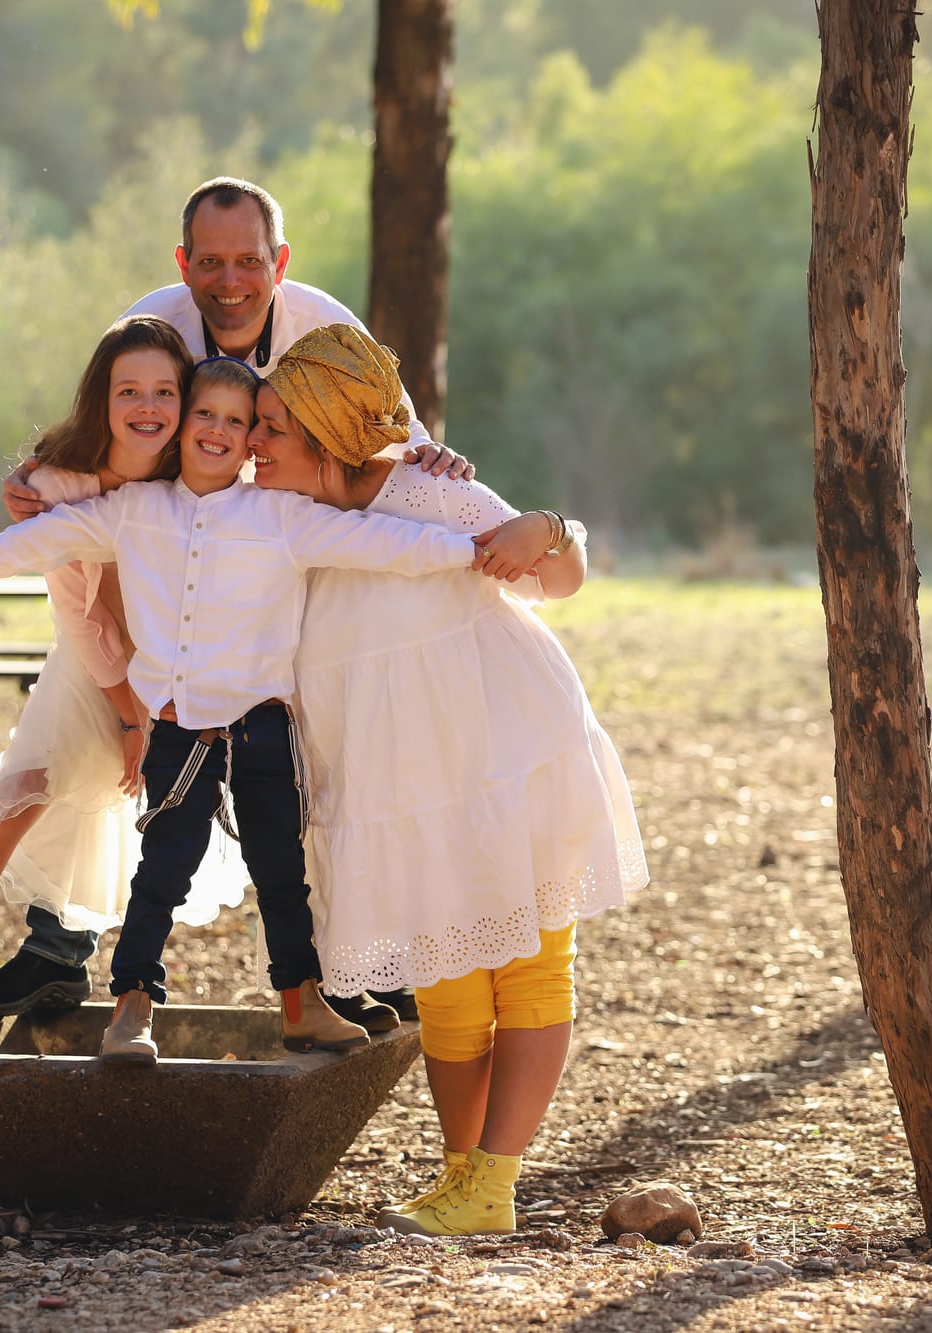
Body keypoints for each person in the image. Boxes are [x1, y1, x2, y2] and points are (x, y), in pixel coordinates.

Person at [0, 356, 495, 1066]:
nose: (218, 429)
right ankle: (131, 1008)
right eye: (205, 412)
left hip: (263, 729)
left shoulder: (283, 516)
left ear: (251, 438)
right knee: (162, 872)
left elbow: (387, 545)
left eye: (237, 421)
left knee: (282, 874)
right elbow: (42, 538)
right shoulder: (135, 512)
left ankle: (303, 1005)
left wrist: (475, 550)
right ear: (181, 425)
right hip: (181, 729)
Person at [0, 175, 466, 1025]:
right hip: (161, 570)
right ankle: (56, 946)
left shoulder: (327, 332)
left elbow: (398, 446)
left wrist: (439, 466)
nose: (230, 280)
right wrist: (45, 483)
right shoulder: (151, 328)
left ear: (280, 262)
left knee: (327, 757)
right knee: (75, 725)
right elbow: (97, 460)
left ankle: (363, 961)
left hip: (289, 571)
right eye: (211, 261)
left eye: (249, 261)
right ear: (184, 263)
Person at [252, 324, 649, 1235]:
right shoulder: (275, 515)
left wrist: (547, 527)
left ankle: (496, 1180)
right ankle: (464, 1176)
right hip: (396, 788)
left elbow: (559, 578)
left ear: (325, 436)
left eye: (272, 427)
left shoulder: (431, 492)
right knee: (445, 981)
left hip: (507, 759)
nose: (253, 442)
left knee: (531, 970)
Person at [0, 316, 242, 1049]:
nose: (147, 407)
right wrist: (128, 716)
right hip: (89, 665)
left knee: (114, 809)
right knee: (21, 793)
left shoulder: (197, 471)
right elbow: (81, 615)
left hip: (176, 667)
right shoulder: (58, 487)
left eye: (165, 391)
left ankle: (57, 956)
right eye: (128, 391)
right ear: (102, 398)